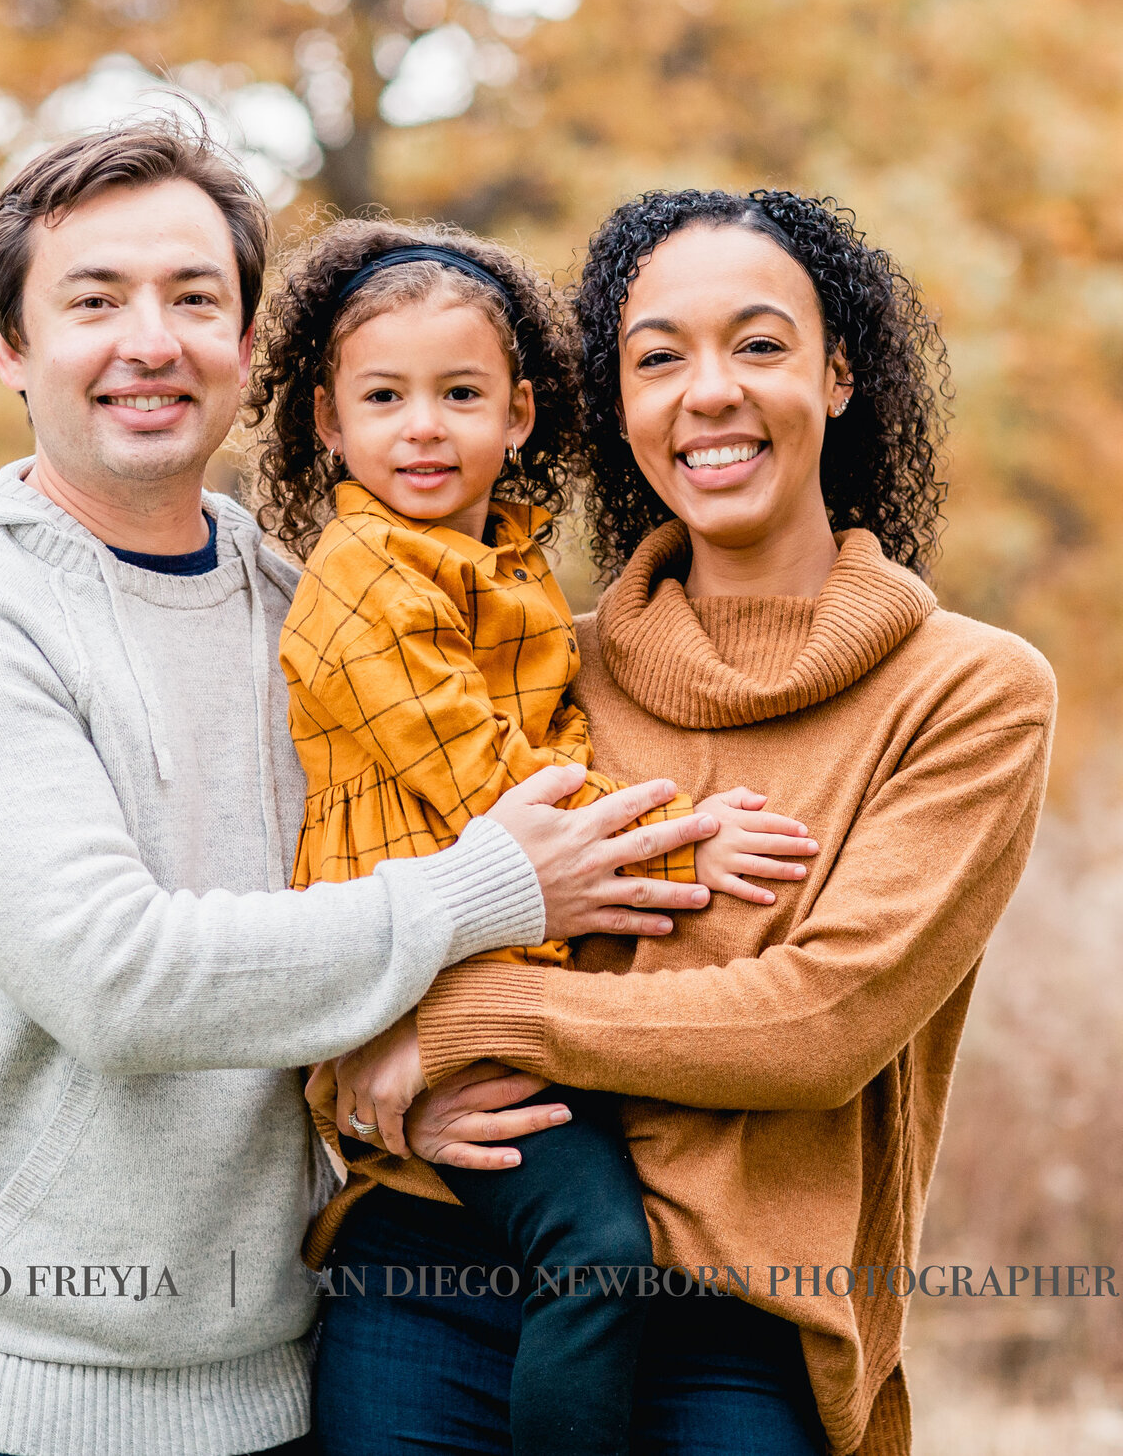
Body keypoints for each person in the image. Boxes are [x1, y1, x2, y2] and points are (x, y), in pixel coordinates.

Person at [0, 120, 721, 1456]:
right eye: (94, 300)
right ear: (12, 346)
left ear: (249, 349)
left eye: (195, 299)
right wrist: (490, 886)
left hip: (264, 1393)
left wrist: (387, 1068)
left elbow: (340, 903)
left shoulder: (307, 610)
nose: (151, 339)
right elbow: (117, 981)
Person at [309, 189, 1057, 1456]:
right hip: (438, 1261)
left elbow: (821, 1021)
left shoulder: (968, 690)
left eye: (757, 345)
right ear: (618, 406)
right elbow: (350, 898)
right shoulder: (527, 660)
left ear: (836, 375)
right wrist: (366, 1090)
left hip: (737, 1315)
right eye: (658, 357)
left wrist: (463, 1023)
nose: (707, 392)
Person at [238, 217, 813, 1456]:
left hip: (500, 972)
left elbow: (556, 750)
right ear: (328, 422)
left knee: (599, 1242)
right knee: (597, 1252)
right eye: (383, 397)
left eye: (459, 394)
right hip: (430, 973)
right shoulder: (359, 581)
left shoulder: (500, 562)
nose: (424, 426)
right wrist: (680, 848)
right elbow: (475, 781)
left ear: (521, 415)